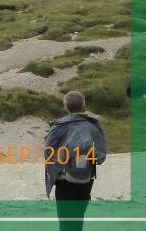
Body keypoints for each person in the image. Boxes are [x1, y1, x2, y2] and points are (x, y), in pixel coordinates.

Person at [44, 90, 106, 231]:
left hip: (65, 182)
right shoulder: (93, 125)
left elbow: (48, 151)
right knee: (78, 220)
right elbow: (101, 156)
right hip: (86, 180)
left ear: (66, 108)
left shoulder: (59, 126)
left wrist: (61, 163)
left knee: (65, 222)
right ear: (84, 106)